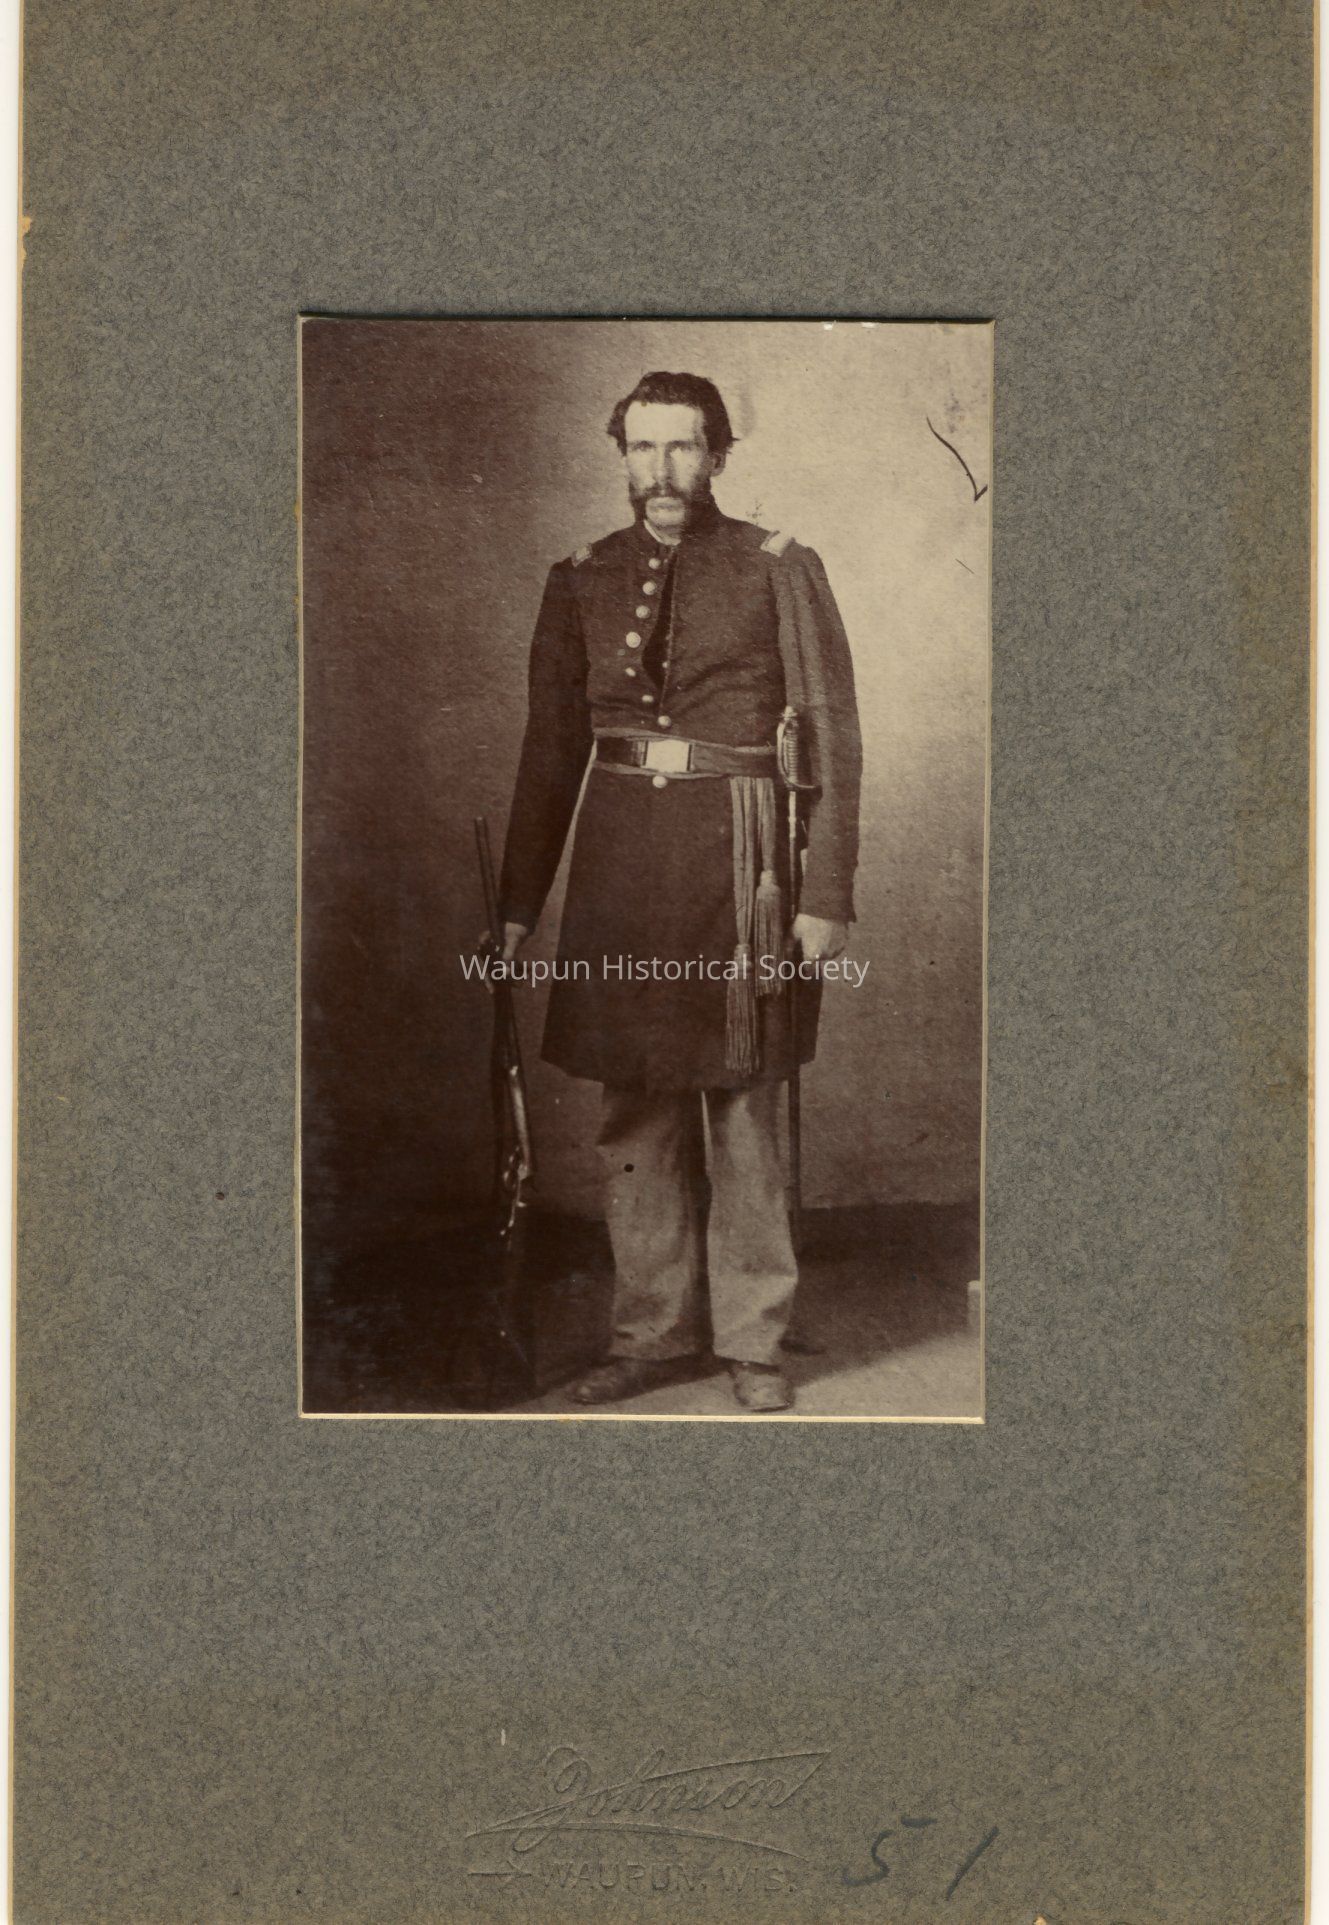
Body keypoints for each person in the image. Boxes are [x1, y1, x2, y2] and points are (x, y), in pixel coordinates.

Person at [498, 370, 861, 1412]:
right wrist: (518, 907)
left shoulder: (777, 565)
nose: (662, 470)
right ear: (621, 456)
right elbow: (549, 753)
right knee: (635, 1106)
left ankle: (752, 1340)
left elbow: (831, 735)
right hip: (619, 865)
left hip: (743, 862)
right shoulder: (579, 577)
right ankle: (652, 1337)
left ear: (718, 456)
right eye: (643, 447)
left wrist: (825, 892)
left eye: (684, 446)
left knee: (743, 1104)